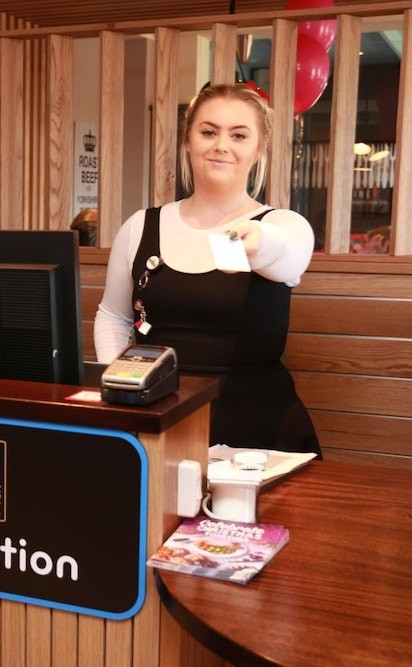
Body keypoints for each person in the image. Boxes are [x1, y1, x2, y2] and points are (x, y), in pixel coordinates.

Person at [94, 83, 320, 456]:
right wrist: (119, 390)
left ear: (259, 149)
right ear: (188, 142)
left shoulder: (283, 224)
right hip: (158, 419)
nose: (221, 145)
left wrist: (258, 242)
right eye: (209, 132)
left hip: (259, 431)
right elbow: (113, 316)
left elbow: (289, 255)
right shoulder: (141, 225)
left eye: (239, 135)